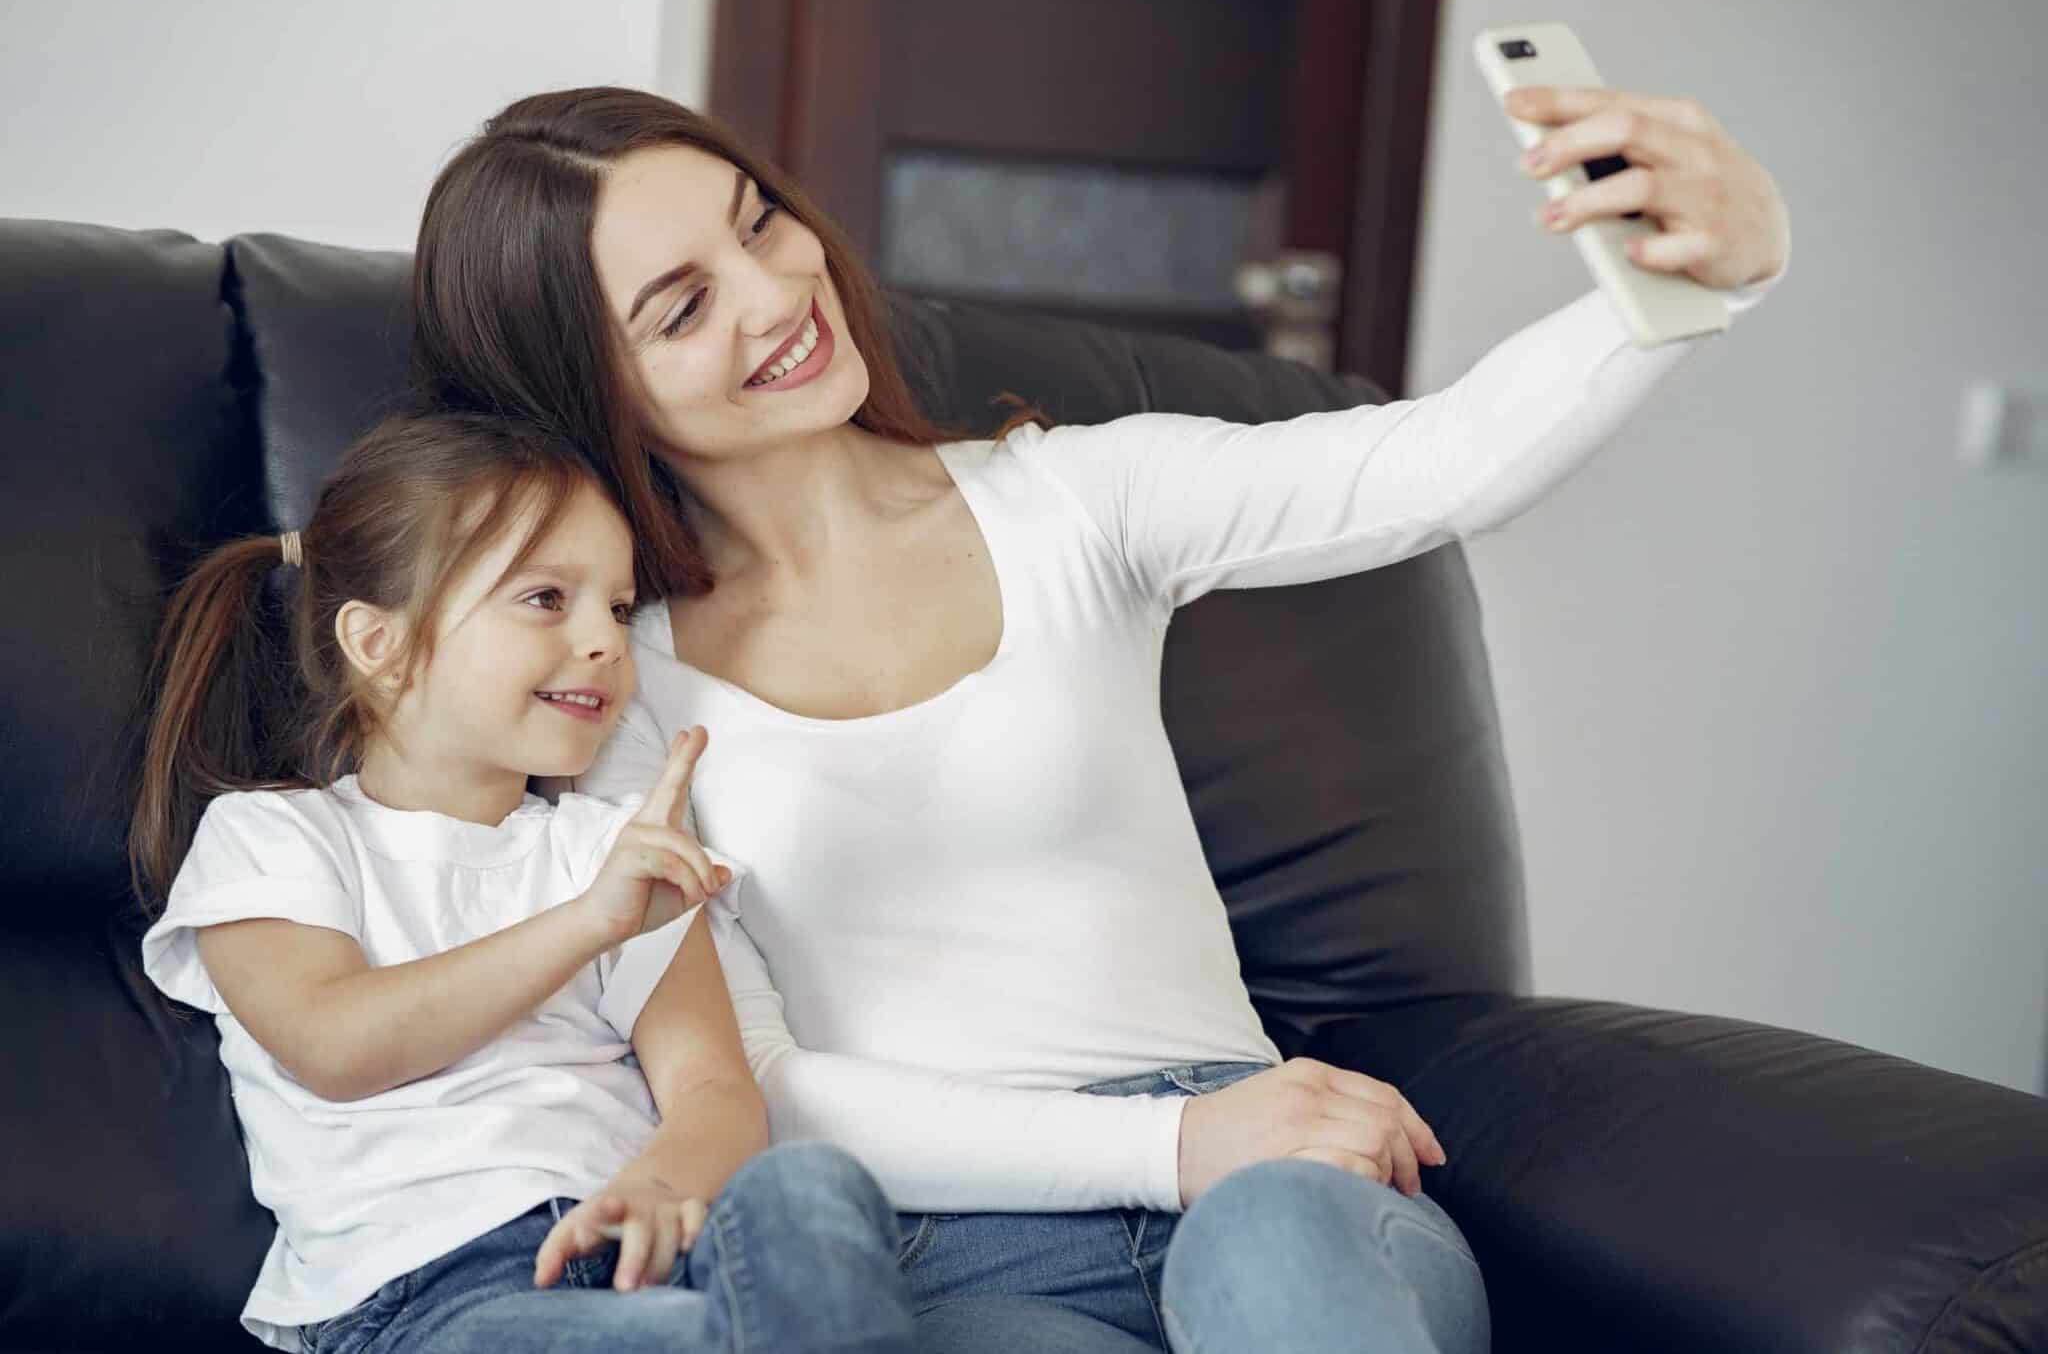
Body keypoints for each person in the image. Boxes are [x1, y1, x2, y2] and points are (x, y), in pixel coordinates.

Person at [409, 83, 1790, 1354]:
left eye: (760, 222)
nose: (777, 293)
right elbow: (764, 1084)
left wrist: (1686, 280)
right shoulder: (618, 694)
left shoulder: (1069, 500)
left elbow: (1436, 465)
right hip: (967, 1250)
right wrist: (1172, 1147)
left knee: (1270, 1246)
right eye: (682, 308)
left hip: (1276, 1186)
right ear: (592, 392)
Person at [130, 411, 916, 1354]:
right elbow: (335, 1044)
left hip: (648, 1263)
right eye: (547, 598)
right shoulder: (274, 837)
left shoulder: (606, 850)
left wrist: (664, 1183)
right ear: (378, 646)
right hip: (436, 1300)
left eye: (620, 610)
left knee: (817, 1189)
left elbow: (713, 1085)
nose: (606, 643)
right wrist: (586, 923)